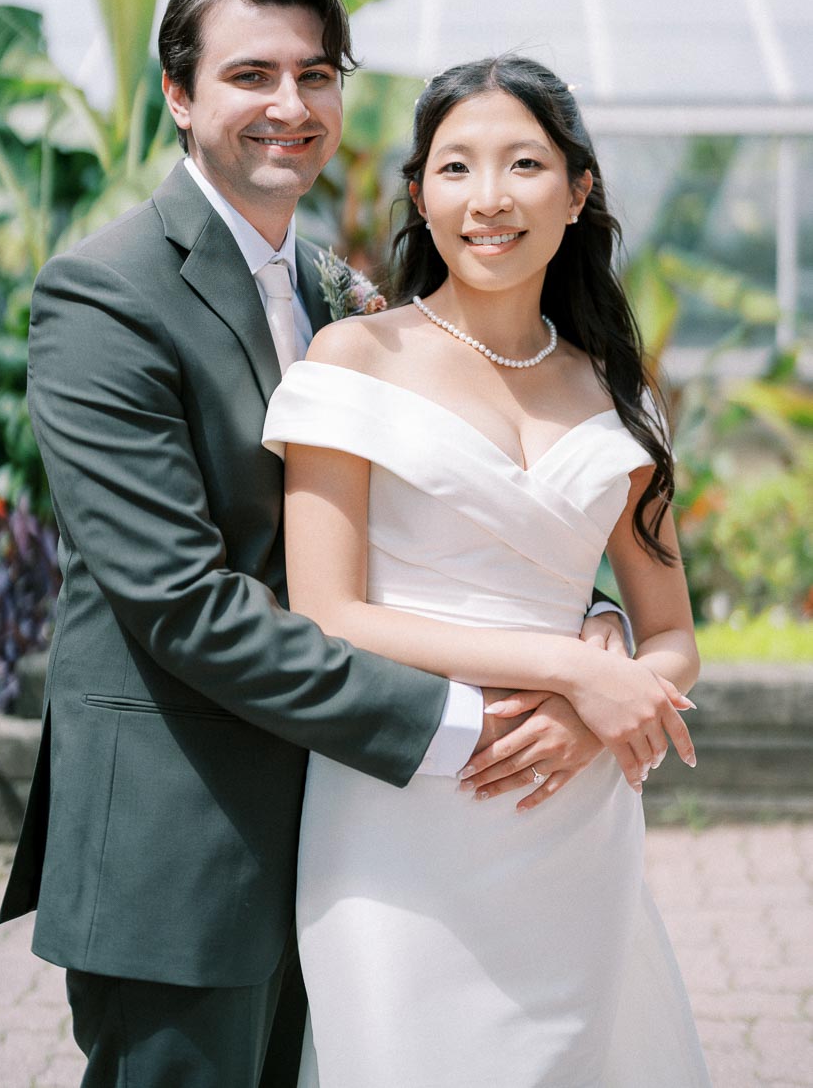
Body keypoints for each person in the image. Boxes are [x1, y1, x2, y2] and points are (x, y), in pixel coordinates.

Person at [0, 0, 635, 1088]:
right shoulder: (104, 295)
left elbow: (444, 505)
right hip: (190, 836)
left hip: (357, 841)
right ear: (181, 97)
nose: (290, 107)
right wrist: (465, 724)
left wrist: (586, 621)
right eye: (252, 74)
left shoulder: (339, 291)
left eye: (317, 74)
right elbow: (181, 605)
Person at [262, 53, 711, 1086]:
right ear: (419, 194)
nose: (490, 199)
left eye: (524, 164)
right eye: (456, 169)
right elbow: (328, 613)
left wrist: (593, 697)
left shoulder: (616, 383)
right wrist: (575, 669)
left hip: (571, 809)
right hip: (400, 796)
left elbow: (675, 634)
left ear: (578, 189)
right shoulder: (353, 358)